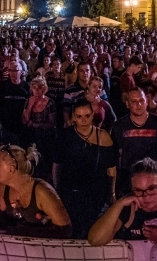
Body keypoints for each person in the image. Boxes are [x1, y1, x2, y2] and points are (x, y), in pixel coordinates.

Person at [53, 99, 117, 239]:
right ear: (74, 117)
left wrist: (111, 193)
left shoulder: (103, 136)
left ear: (92, 115)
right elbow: (57, 164)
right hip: (71, 190)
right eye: (79, 116)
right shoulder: (66, 136)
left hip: (95, 192)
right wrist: (57, 188)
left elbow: (111, 168)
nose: (83, 120)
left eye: (87, 116)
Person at [0, 144, 72, 237]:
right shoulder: (4, 187)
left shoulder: (42, 191)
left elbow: (66, 231)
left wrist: (28, 232)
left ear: (11, 168)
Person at [111, 88, 157, 196]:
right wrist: (113, 190)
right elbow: (114, 158)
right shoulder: (118, 126)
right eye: (134, 101)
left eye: (141, 100)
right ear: (127, 104)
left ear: (146, 101)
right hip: (128, 181)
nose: (138, 104)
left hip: (153, 179)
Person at [21, 77, 57, 178]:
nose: (36, 90)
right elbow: (24, 120)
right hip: (32, 137)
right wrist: (30, 106)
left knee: (46, 164)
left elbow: (52, 123)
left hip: (47, 137)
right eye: (34, 87)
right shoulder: (29, 100)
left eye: (39, 87)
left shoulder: (50, 103)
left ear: (44, 88)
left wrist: (35, 124)